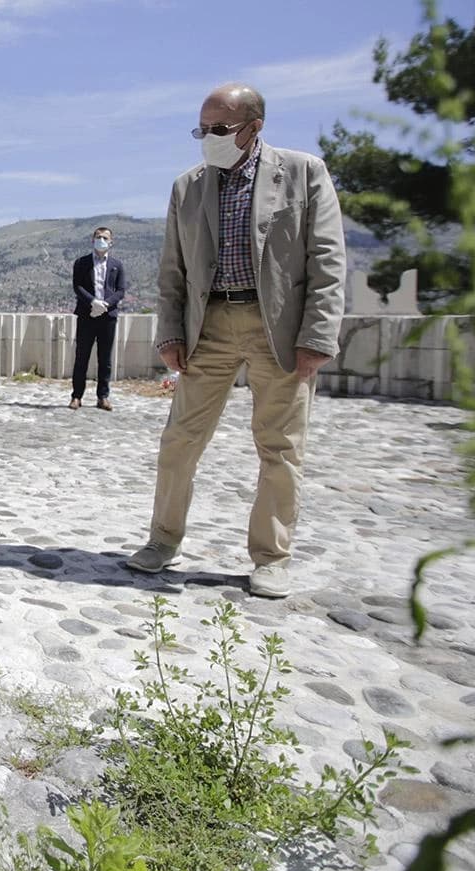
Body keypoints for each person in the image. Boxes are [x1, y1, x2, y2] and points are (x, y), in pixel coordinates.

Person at [125, 82, 346, 600]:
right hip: (212, 326)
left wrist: (317, 337)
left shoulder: (303, 172)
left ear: (254, 128)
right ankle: (162, 540)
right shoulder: (189, 186)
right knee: (180, 440)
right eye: (201, 129)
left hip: (281, 331)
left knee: (281, 447)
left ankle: (271, 557)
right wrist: (171, 332)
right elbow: (172, 270)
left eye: (219, 129)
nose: (208, 138)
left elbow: (328, 262)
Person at [69, 226, 127, 411]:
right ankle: (77, 396)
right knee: (82, 357)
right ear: (92, 240)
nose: (101, 240)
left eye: (105, 237)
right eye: (98, 237)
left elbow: (120, 290)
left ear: (111, 242)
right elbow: (77, 286)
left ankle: (103, 397)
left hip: (108, 317)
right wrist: (93, 302)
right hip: (87, 315)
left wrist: (105, 305)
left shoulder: (117, 265)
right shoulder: (81, 263)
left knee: (105, 358)